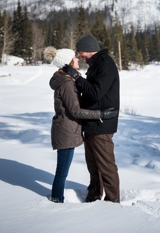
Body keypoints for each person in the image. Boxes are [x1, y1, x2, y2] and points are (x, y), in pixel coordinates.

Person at [45, 46, 115, 203]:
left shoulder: (67, 80)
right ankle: (56, 200)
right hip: (66, 131)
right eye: (74, 58)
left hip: (67, 129)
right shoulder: (66, 84)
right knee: (62, 172)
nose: (77, 59)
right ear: (68, 63)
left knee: (62, 170)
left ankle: (57, 199)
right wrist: (101, 114)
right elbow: (76, 111)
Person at [62, 34, 121, 203]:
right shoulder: (97, 65)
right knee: (94, 166)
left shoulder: (105, 65)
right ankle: (94, 195)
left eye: (79, 52)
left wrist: (76, 77)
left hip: (102, 124)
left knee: (106, 166)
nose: (79, 55)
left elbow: (95, 92)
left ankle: (112, 202)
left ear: (88, 50)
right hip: (92, 123)